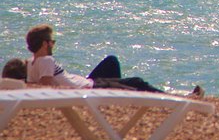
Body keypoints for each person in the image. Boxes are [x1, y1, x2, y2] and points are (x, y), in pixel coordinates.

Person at [25, 24, 202, 96]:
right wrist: (76, 91)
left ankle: (176, 97)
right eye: (52, 41)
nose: (54, 44)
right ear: (44, 44)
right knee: (136, 84)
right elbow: (47, 87)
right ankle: (178, 99)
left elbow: (37, 84)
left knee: (112, 62)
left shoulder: (31, 63)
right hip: (88, 87)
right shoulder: (46, 61)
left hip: (88, 82)